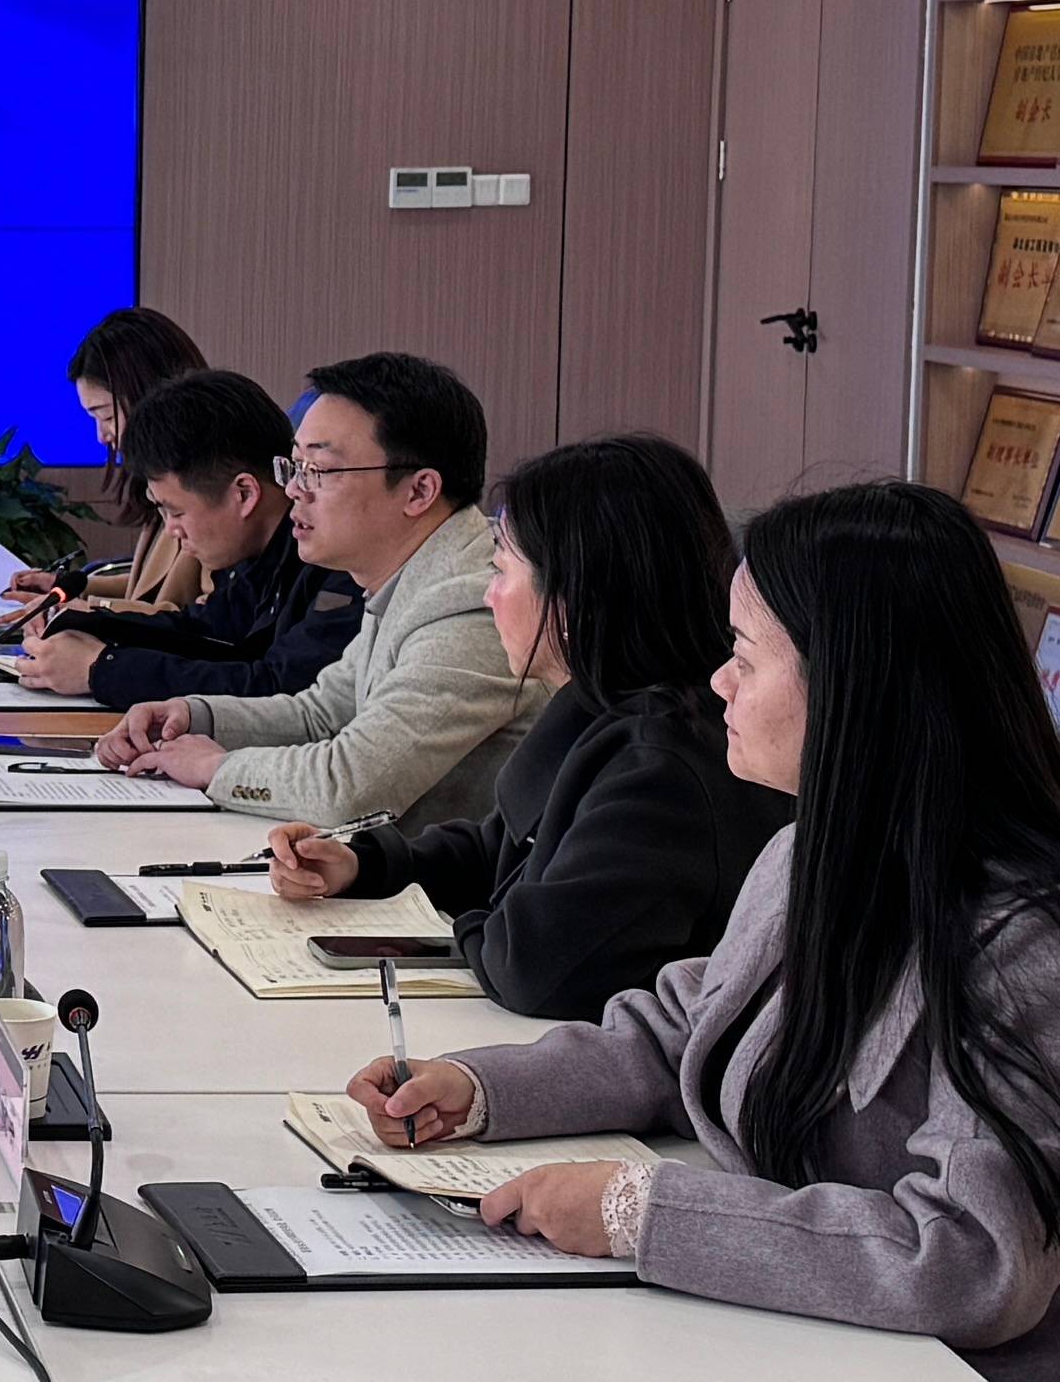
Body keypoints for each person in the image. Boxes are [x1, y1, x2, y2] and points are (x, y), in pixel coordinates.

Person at [356, 478, 1060, 1382]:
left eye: (743, 655)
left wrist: (645, 1214)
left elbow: (968, 1260)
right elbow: (688, 1028)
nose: (717, 683)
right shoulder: (815, 848)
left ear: (852, 683)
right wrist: (482, 1090)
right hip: (827, 1378)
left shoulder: (1039, 941)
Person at [279, 431, 787, 1020]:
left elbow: (536, 969)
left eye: (501, 571)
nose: (489, 595)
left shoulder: (660, 768)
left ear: (573, 597)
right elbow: (503, 848)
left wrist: (474, 925)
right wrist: (366, 865)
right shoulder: (606, 706)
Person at [96, 352, 529, 830]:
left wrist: (214, 768)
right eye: (295, 466)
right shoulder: (406, 577)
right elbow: (320, 715)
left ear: (419, 491)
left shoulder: (474, 603)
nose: (294, 491)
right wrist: (195, 715)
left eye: (319, 470)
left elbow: (350, 786)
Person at [10, 367, 355, 704]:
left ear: (244, 494)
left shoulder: (338, 561)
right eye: (296, 469)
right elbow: (208, 635)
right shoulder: (259, 555)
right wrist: (89, 624)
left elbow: (279, 688)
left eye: (316, 472)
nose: (173, 531)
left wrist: (100, 669)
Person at [0, 301, 215, 625]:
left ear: (150, 397)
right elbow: (146, 589)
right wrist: (66, 588)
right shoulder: (162, 479)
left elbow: (199, 621)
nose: (102, 436)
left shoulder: (208, 488)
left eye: (107, 417)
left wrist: (84, 611)